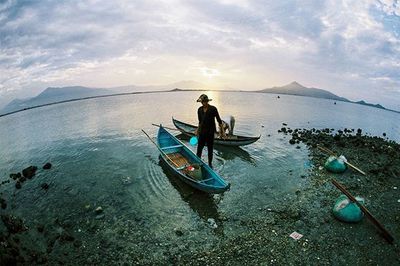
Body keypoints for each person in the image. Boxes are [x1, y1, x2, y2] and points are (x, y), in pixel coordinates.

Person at [194, 94, 225, 168]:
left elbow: (219, 121)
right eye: (202, 102)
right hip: (202, 132)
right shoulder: (199, 110)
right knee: (199, 149)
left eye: (204, 101)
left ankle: (210, 164)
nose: (203, 103)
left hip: (210, 132)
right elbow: (200, 122)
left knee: (210, 149)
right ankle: (198, 163)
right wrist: (197, 131)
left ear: (207, 101)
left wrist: (223, 132)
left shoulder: (213, 109)